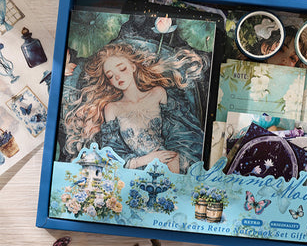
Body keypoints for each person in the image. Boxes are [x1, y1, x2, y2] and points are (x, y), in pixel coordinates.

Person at [64, 42, 207, 174]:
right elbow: (113, 152)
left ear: (133, 67)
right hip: (136, 169)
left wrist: (173, 159)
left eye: (122, 69)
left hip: (168, 162)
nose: (118, 77)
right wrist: (145, 160)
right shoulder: (112, 108)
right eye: (111, 76)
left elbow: (179, 133)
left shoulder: (157, 93)